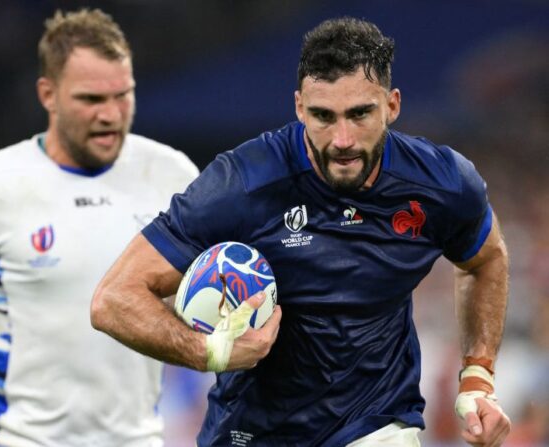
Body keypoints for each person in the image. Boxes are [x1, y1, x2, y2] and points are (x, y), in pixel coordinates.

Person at [91, 17, 511, 446]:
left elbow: (486, 259)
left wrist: (478, 375)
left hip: (375, 425)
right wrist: (209, 352)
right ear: (298, 107)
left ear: (392, 105)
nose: (342, 138)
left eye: (360, 114)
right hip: (250, 431)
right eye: (323, 116)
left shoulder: (441, 183)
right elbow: (115, 299)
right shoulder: (242, 184)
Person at [0, 8, 198, 447]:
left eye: (122, 95)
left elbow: (206, 295)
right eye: (91, 99)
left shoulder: (172, 175)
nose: (111, 113)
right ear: (48, 94)